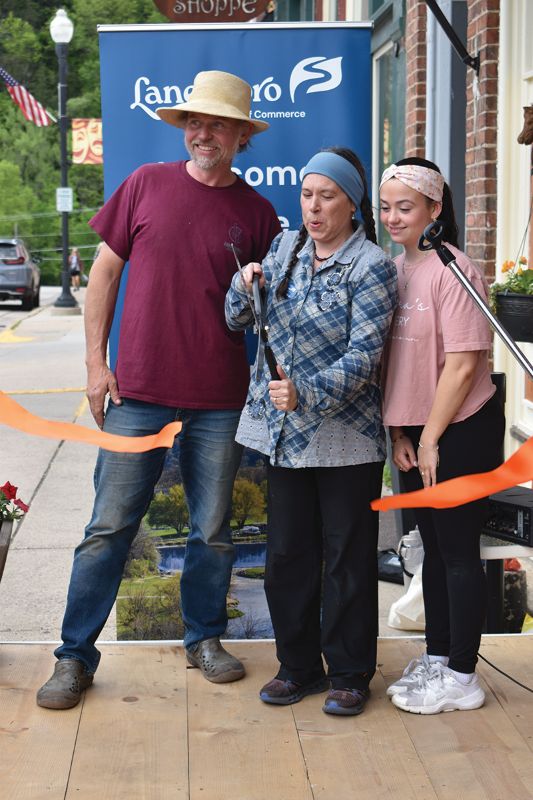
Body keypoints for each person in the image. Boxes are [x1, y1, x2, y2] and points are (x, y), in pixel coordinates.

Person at [36, 70, 281, 710]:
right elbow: (104, 274)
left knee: (214, 530)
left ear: (239, 136)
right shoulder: (145, 183)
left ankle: (204, 638)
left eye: (219, 124)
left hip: (220, 399)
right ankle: (73, 657)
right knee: (108, 527)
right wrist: (96, 364)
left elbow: (272, 310)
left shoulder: (256, 213)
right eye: (196, 123)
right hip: (137, 392)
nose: (205, 134)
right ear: (186, 130)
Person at [225, 148, 398, 716]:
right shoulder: (282, 250)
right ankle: (297, 667)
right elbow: (238, 319)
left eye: (327, 196)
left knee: (347, 557)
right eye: (306, 195)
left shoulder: (371, 265)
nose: (314, 207)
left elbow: (365, 355)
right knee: (287, 556)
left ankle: (349, 673)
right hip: (283, 437)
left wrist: (309, 391)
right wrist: (242, 282)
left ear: (352, 202)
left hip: (345, 439)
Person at [379, 157, 505, 714]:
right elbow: (399, 366)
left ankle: (462, 675)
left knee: (458, 553)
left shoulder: (453, 268)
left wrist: (430, 438)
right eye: (386, 208)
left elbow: (462, 363)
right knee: (430, 549)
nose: (393, 217)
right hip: (419, 434)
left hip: (460, 428)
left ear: (435, 209)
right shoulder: (396, 269)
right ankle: (437, 655)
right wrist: (402, 433)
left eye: (406, 207)